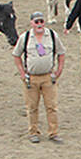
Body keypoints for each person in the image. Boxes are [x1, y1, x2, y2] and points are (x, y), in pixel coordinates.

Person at [13, 11, 65, 143]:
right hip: (31, 78)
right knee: (32, 107)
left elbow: (61, 53)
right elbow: (16, 55)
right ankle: (33, 132)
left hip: (48, 78)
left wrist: (58, 71)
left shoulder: (52, 36)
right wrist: (22, 73)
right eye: (36, 22)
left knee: (52, 107)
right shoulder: (25, 38)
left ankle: (53, 133)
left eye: (41, 21)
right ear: (31, 23)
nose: (39, 24)